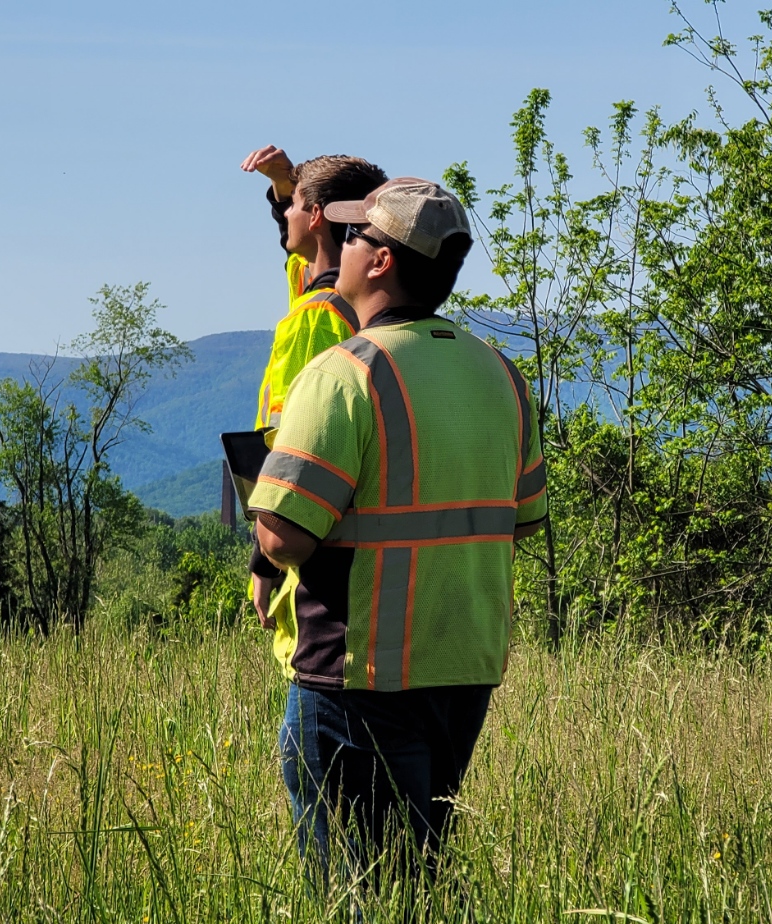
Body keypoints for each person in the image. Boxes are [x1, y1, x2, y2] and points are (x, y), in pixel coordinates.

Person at [245, 178, 548, 878]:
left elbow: (283, 535)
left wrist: (262, 507)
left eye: (353, 235)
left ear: (379, 261)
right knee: (414, 878)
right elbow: (524, 521)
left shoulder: (344, 373)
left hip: (361, 673)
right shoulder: (498, 373)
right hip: (464, 663)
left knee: (364, 890)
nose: (340, 245)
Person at [237, 148, 387, 636]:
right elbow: (301, 258)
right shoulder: (360, 301)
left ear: (318, 215)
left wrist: (264, 560)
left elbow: (293, 446)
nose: (286, 216)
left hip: (316, 549)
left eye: (295, 205)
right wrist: (285, 185)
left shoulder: (316, 315)